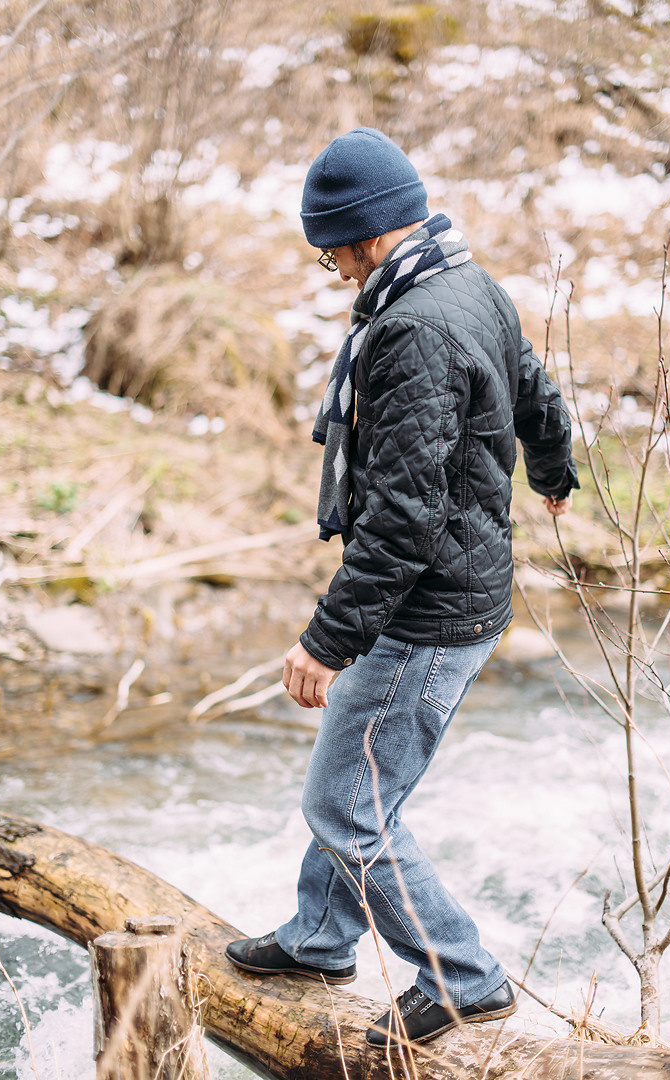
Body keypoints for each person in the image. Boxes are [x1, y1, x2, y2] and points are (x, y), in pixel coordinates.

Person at [226, 127, 578, 1046]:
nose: (330, 270)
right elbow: (536, 392)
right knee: (358, 785)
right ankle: (318, 936)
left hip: (425, 612)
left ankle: (462, 978)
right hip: (460, 591)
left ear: (367, 235)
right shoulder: (467, 283)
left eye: (327, 251)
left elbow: (401, 521)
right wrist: (551, 471)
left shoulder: (412, 328)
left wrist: (324, 642)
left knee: (348, 805)